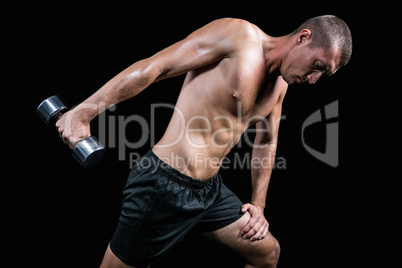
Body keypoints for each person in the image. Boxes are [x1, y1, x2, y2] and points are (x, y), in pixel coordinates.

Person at [56, 15, 352, 268]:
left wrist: (258, 204)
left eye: (323, 75)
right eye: (317, 65)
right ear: (303, 37)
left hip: (209, 192)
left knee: (267, 254)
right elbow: (156, 66)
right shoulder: (239, 36)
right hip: (163, 185)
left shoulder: (280, 88)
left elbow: (266, 141)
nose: (314, 80)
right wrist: (84, 111)